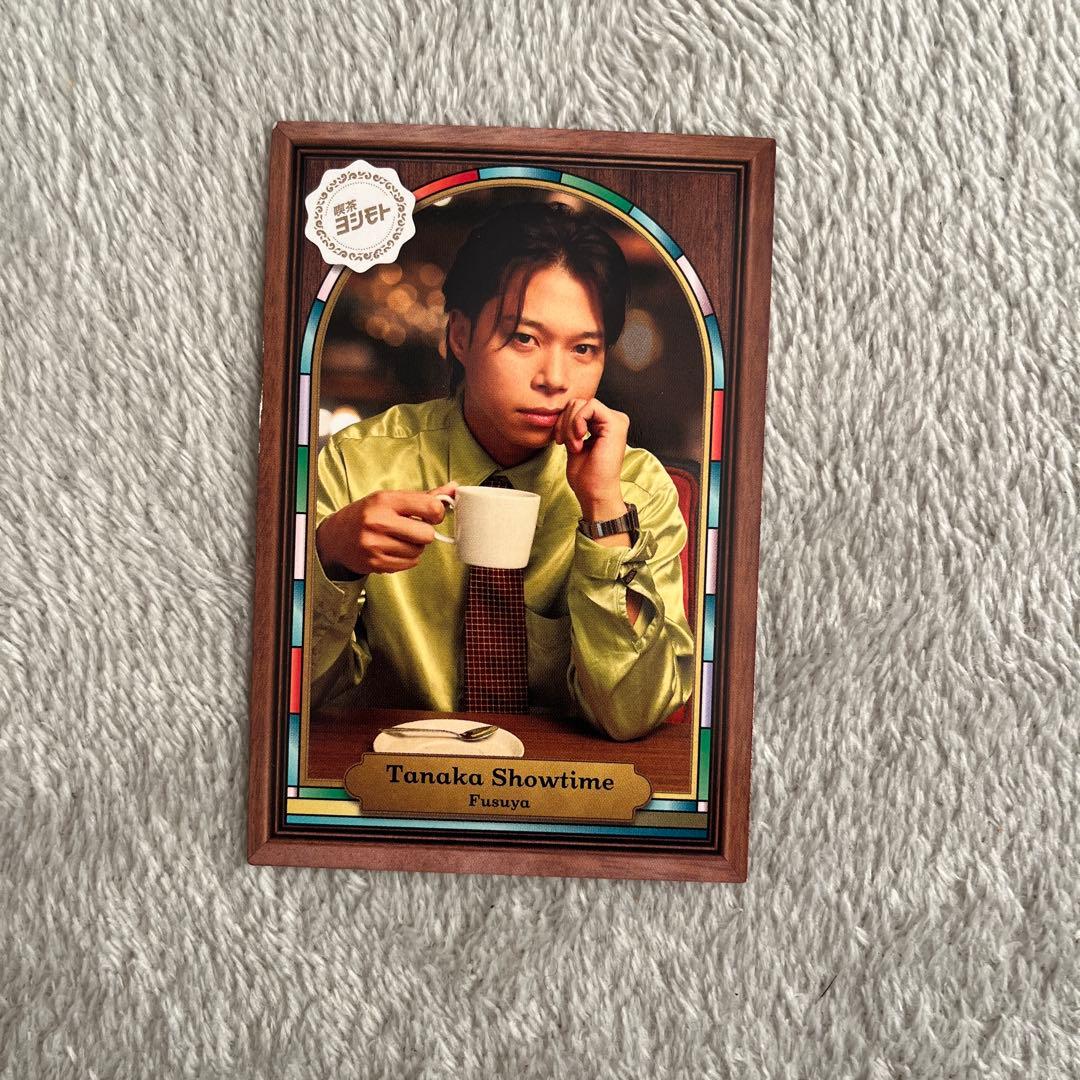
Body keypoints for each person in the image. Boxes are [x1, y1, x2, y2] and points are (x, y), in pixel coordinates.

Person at [310, 200, 694, 741]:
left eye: (584, 348)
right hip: (402, 772)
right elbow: (296, 696)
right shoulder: (359, 465)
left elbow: (634, 714)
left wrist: (603, 511)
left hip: (566, 781)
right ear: (460, 337)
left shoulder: (633, 487)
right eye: (524, 339)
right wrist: (333, 557)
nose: (554, 378)